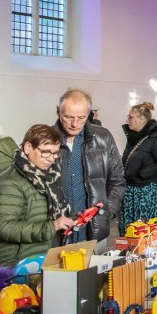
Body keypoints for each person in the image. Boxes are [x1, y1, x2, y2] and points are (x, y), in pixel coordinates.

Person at [0, 125, 74, 268]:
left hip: (38, 260)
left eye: (55, 153)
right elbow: (4, 228)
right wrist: (51, 227)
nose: (51, 159)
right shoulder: (9, 182)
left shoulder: (49, 178)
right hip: (13, 266)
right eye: (46, 152)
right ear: (28, 147)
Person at [53, 88, 125, 243]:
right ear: (58, 112)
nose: (75, 124)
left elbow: (117, 181)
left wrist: (107, 212)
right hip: (56, 234)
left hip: (93, 231)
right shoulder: (46, 139)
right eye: (68, 117)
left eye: (81, 118)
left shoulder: (103, 137)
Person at [120, 102, 157, 231]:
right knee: (130, 230)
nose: (127, 120)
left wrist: (141, 174)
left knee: (146, 231)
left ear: (142, 119)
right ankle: (129, 250)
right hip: (132, 190)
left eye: (131, 117)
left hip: (149, 191)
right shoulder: (134, 137)